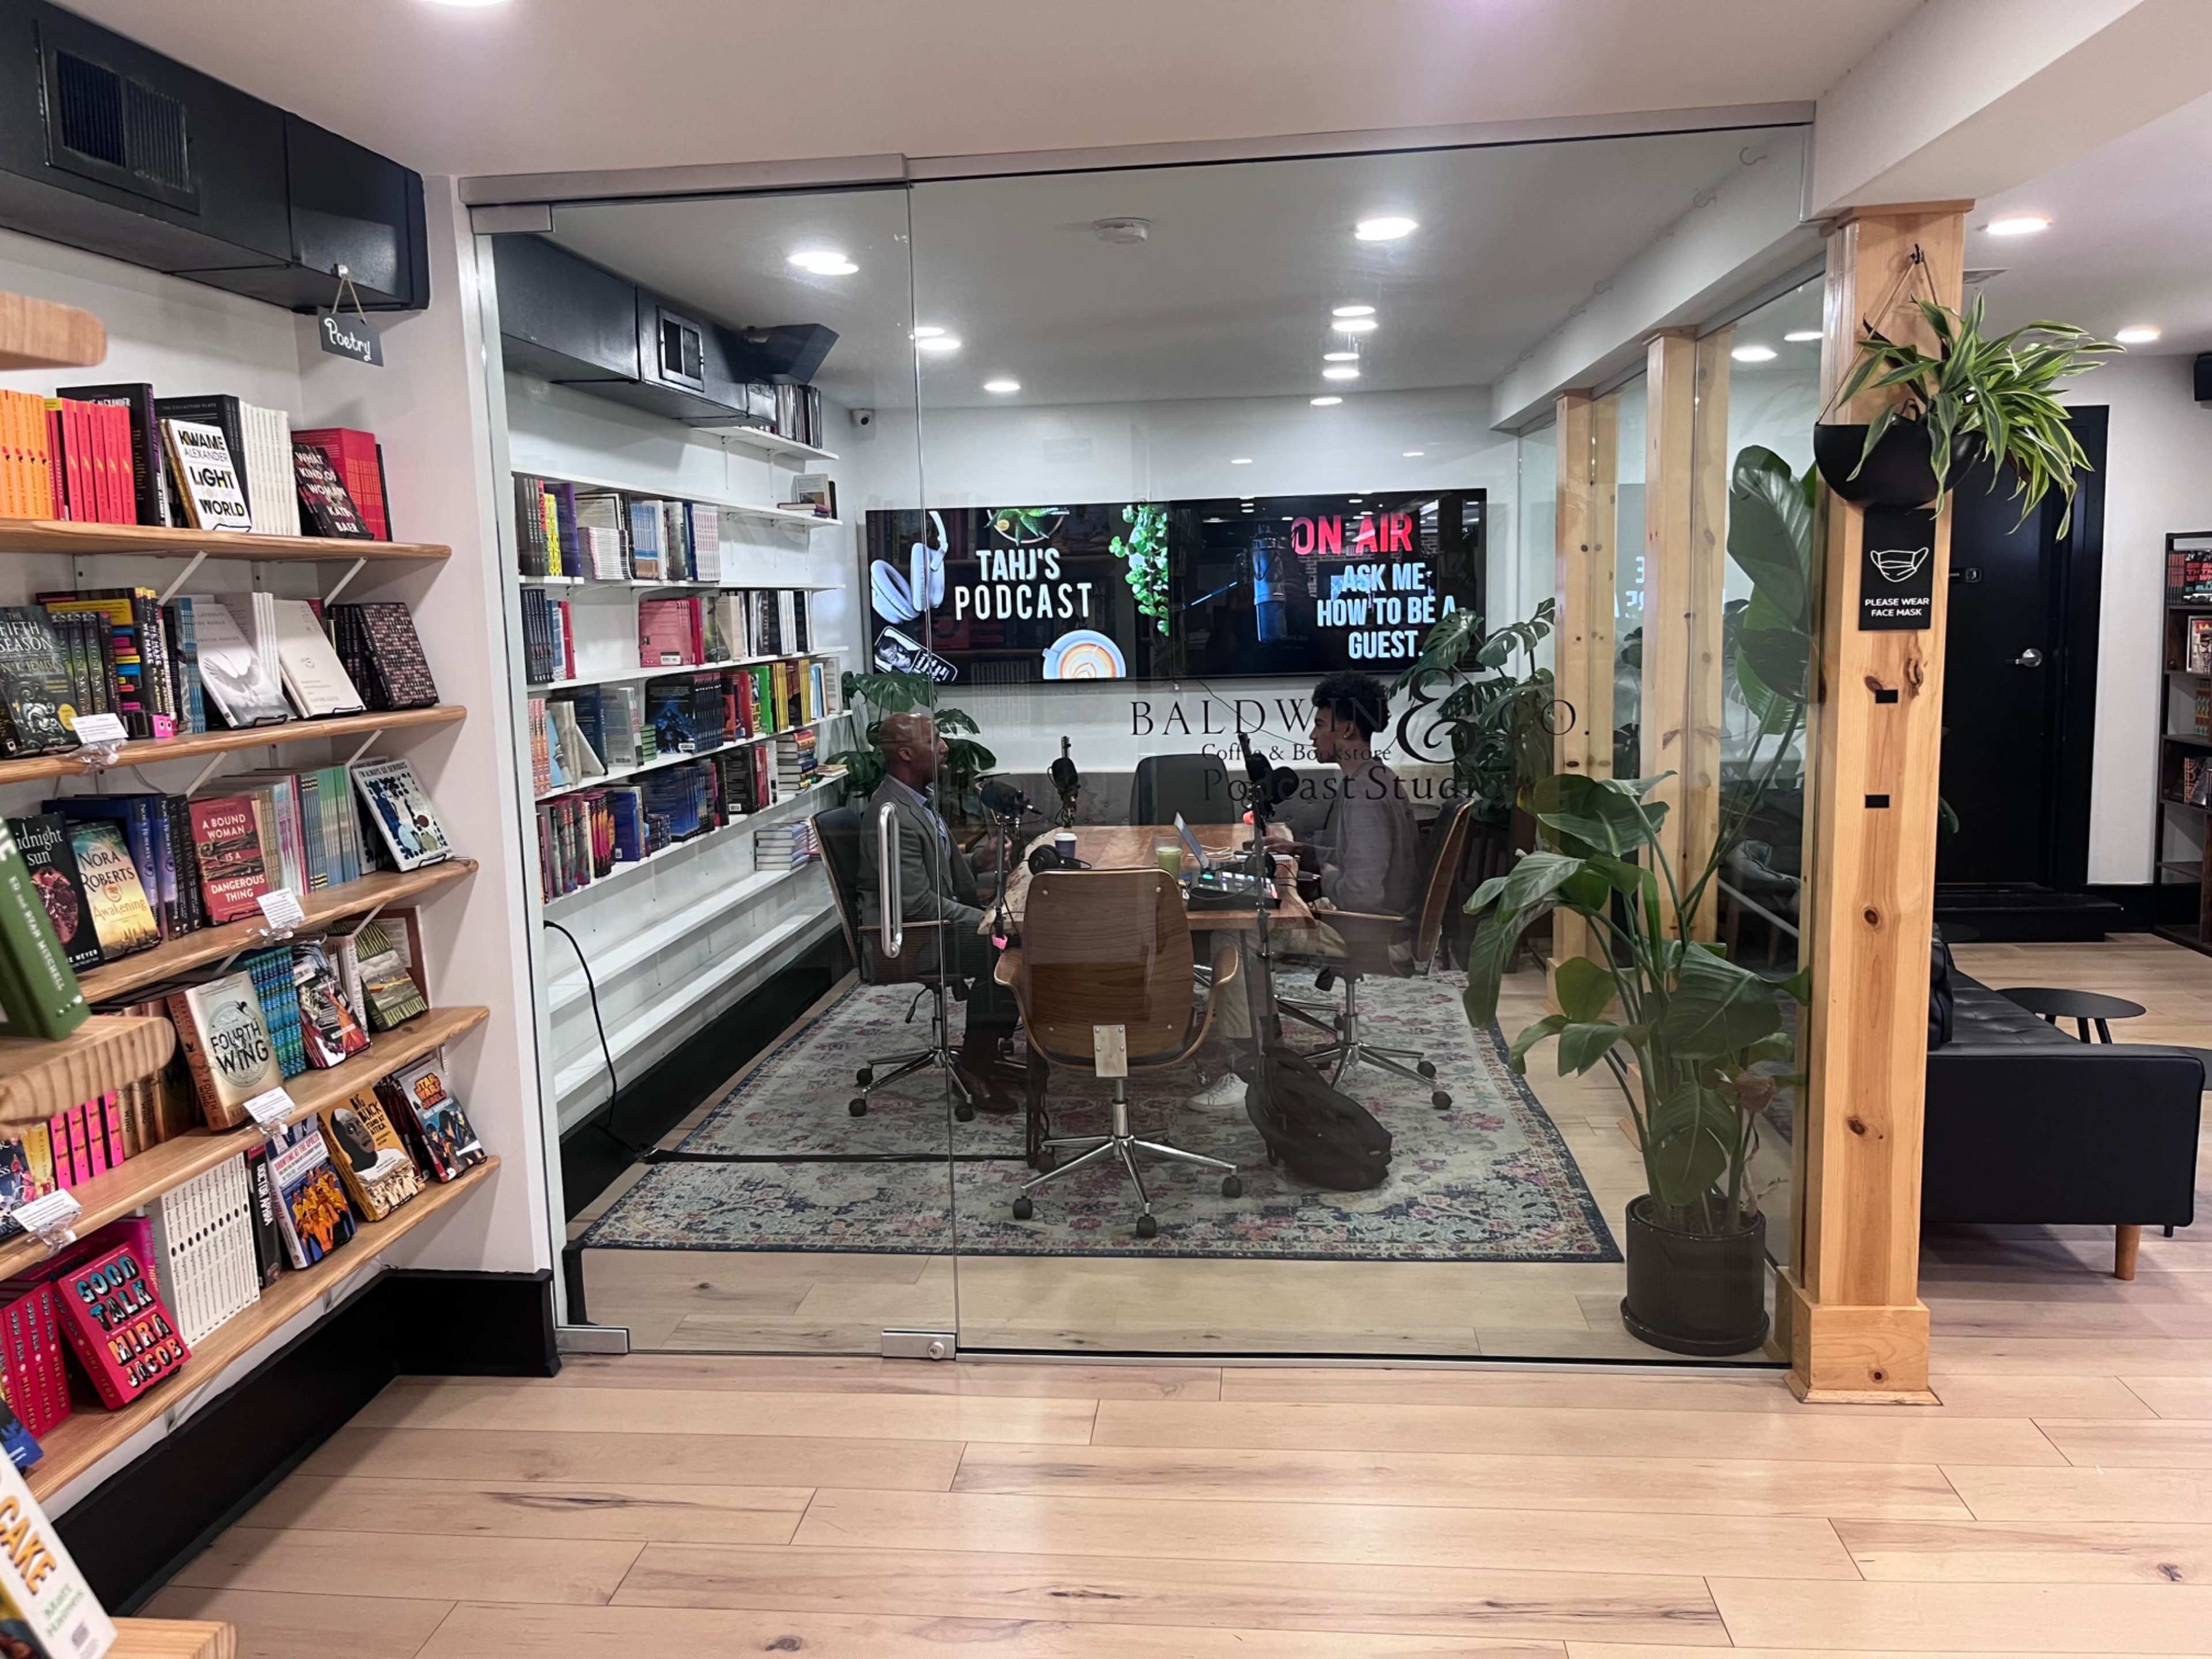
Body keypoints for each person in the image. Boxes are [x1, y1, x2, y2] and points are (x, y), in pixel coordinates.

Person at [1191, 669, 1421, 1109]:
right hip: (1382, 922)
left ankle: (1249, 1072)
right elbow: (1361, 859)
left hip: (1371, 929)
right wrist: (1304, 852)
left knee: (1237, 933)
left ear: (1346, 728)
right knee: (1249, 921)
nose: (1312, 734)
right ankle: (1265, 1046)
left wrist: (1295, 875)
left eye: (1320, 724)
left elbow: (1363, 891)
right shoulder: (1375, 778)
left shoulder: (1363, 795)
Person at [858, 710, 1023, 1107]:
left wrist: (978, 863)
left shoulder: (919, 803)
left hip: (932, 924)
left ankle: (985, 1050)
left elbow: (931, 879)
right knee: (1003, 947)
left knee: (1012, 939)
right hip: (909, 938)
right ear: (905, 755)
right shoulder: (891, 815)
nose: (945, 747)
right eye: (933, 740)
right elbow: (915, 903)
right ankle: (974, 1066)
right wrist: (987, 922)